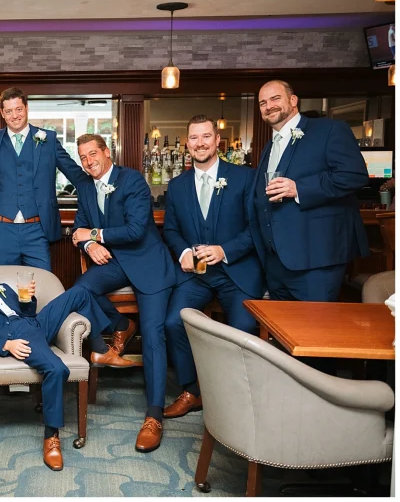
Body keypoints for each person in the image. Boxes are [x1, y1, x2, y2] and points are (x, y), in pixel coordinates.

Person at [0, 251, 135, 471]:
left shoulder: (3, 287)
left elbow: (28, 313)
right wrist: (6, 346)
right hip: (17, 336)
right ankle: (51, 437)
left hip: (35, 324)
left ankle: (100, 351)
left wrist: (28, 299)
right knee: (57, 369)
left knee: (80, 292)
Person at [71, 134, 176, 454]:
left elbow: (135, 229)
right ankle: (119, 326)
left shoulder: (132, 180)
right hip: (114, 263)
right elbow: (78, 226)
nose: (89, 162)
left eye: (93, 155)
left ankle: (154, 414)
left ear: (107, 152)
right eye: (83, 158)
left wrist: (92, 235)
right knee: (81, 289)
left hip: (147, 264)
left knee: (154, 334)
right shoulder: (86, 186)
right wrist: (89, 246)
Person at [161, 115, 264, 419]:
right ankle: (192, 390)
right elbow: (170, 230)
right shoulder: (177, 185)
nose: (200, 143)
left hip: (237, 272)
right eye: (194, 138)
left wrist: (224, 250)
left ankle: (235, 397)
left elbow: (256, 228)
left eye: (206, 137)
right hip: (197, 276)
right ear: (186, 144)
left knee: (243, 330)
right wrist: (182, 251)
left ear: (217, 141)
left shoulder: (245, 178)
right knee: (173, 323)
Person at [250, 80, 369, 301]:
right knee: (281, 332)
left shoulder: (329, 130)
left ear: (293, 101)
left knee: (315, 332)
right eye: (263, 103)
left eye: (275, 99)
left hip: (316, 260)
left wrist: (299, 189)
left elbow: (354, 175)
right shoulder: (269, 146)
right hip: (276, 264)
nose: (269, 106)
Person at [0, 87, 87, 270]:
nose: (15, 115)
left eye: (18, 109)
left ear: (26, 108)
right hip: (0, 230)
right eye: (9, 111)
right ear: (2, 113)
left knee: (41, 287)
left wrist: (101, 186)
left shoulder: (48, 139)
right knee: (4, 289)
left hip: (37, 229)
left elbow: (74, 174)